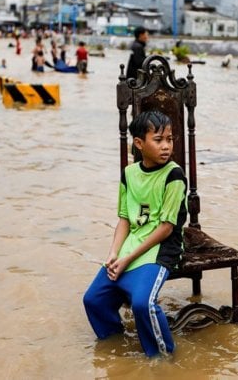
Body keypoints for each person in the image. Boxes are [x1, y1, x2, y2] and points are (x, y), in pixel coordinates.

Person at [83, 110, 187, 357]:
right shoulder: (129, 174)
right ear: (139, 143)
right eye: (158, 139)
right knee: (93, 300)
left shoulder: (174, 174)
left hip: (162, 247)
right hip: (133, 243)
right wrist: (114, 254)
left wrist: (127, 259)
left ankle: (163, 358)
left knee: (143, 304)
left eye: (169, 139)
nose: (166, 146)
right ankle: (116, 347)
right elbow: (124, 219)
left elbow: (166, 228)